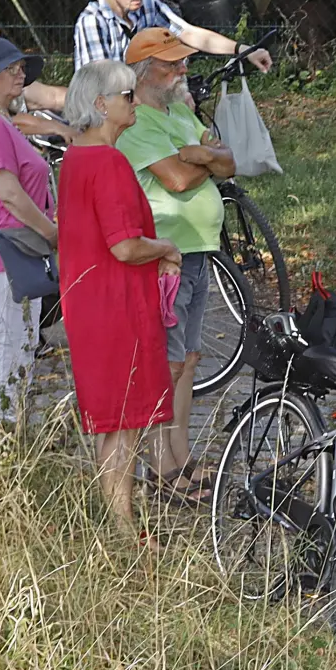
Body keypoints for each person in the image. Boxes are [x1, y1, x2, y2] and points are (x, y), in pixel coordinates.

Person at [57, 60, 180, 546]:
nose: (133, 101)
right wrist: (167, 247)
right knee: (123, 418)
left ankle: (119, 520)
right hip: (114, 303)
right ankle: (124, 528)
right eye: (127, 95)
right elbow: (124, 246)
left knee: (117, 417)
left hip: (91, 300)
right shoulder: (106, 162)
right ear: (100, 104)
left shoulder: (77, 158)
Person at [116, 28, 231, 500]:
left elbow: (229, 161)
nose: (183, 70)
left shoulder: (180, 110)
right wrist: (206, 158)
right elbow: (180, 180)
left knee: (188, 359)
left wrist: (203, 154)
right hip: (167, 255)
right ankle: (160, 466)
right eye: (172, 64)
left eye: (184, 62)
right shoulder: (138, 122)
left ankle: (179, 454)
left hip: (198, 250)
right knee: (168, 362)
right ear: (145, 73)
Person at [0, 38, 58, 421]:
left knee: (22, 346)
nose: (21, 74)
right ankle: (1, 440)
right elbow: (8, 193)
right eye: (11, 68)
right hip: (2, 247)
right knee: (6, 349)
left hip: (16, 247)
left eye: (22, 68)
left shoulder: (2, 121)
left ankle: (12, 435)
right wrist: (51, 233)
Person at [73, 0, 273, 73]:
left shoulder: (148, 2)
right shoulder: (93, 21)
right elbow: (99, 85)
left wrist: (246, 50)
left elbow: (188, 33)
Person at [0, 4, 72, 139]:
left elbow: (52, 97)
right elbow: (2, 118)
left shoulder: (10, 76)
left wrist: (94, 99)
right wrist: (57, 127)